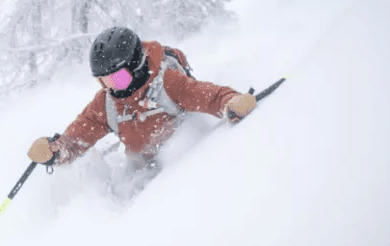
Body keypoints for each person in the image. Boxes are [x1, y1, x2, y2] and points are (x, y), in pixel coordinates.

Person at [27, 26, 257, 175]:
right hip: (140, 173)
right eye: (103, 81)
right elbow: (77, 140)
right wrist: (55, 151)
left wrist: (232, 102)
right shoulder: (106, 103)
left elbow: (210, 96)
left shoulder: (168, 83)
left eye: (117, 78)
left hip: (181, 168)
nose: (111, 87)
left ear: (137, 66)